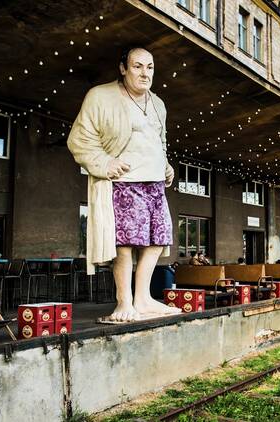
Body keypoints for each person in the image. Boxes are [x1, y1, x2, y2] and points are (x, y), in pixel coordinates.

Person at [67, 46, 180, 323]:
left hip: (154, 183)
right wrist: (104, 163)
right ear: (123, 68)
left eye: (150, 67)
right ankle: (124, 302)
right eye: (138, 66)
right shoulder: (101, 96)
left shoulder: (158, 103)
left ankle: (142, 298)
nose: (145, 73)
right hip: (123, 180)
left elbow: (158, 141)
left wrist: (165, 165)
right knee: (125, 243)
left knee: (158, 238)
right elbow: (79, 139)